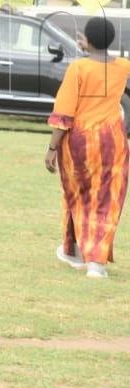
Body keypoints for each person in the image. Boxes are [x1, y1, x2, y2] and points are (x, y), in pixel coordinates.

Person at [46, 16, 129, 279]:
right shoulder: (123, 66)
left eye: (82, 37)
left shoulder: (79, 68)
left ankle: (77, 251)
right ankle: (96, 263)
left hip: (79, 142)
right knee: (107, 199)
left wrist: (51, 148)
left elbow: (64, 112)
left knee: (78, 196)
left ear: (88, 40)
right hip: (113, 141)